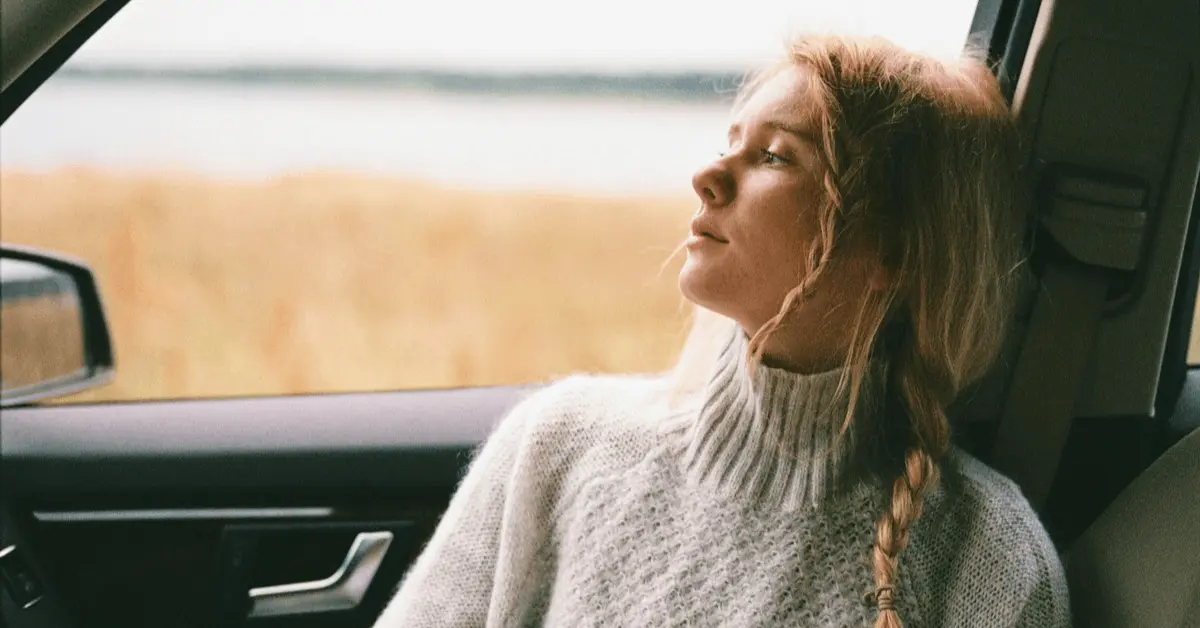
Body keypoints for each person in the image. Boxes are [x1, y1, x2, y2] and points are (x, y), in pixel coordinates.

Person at [373, 34, 1071, 628]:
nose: (707, 176)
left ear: (893, 248)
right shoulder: (561, 443)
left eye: (775, 156)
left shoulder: (988, 558)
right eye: (729, 142)